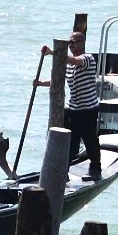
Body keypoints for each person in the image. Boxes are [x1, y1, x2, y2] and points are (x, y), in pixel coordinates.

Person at [44, 30, 102, 178]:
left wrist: (53, 53)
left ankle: (96, 167)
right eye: (69, 43)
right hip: (73, 109)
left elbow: (76, 61)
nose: (72, 45)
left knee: (90, 140)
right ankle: (64, 172)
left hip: (88, 109)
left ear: (83, 43)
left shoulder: (88, 59)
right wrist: (39, 83)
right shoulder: (68, 64)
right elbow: (57, 81)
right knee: (70, 142)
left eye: (75, 42)